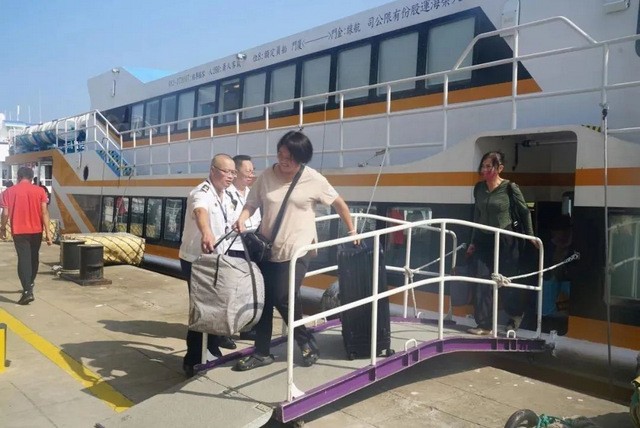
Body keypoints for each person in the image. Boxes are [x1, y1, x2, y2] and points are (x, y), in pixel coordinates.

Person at [232, 130, 357, 371]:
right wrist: (242, 218)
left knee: (283, 295)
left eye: (289, 157)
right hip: (268, 248)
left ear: (302, 157)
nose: (283, 160)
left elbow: (340, 205)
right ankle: (261, 352)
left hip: (298, 249)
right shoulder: (267, 176)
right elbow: (252, 203)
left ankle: (304, 339)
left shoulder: (313, 179)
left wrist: (352, 231)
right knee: (265, 300)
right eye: (280, 154)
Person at [466, 151, 538, 335]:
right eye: (483, 166)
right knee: (481, 279)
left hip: (506, 239)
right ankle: (484, 325)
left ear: (500, 168)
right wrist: (473, 241)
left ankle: (515, 315)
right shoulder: (479, 188)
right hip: (483, 238)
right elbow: (477, 215)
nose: (484, 170)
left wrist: (530, 235)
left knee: (505, 280)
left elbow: (524, 211)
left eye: (489, 166)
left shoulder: (509, 188)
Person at [178, 153, 237, 377]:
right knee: (201, 308)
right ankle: (192, 359)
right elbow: (199, 211)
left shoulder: (227, 195)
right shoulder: (201, 192)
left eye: (233, 172)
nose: (230, 176)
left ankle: (211, 348)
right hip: (197, 261)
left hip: (218, 259)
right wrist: (206, 231)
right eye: (226, 171)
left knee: (217, 306)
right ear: (213, 171)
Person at [0, 168, 53, 305]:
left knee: (23, 259)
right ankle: (30, 283)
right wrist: (48, 233)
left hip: (19, 231)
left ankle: (27, 291)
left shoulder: (8, 192)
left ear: (18, 177)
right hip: (37, 230)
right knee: (34, 258)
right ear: (31, 178)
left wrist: (2, 228)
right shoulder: (40, 191)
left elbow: (5, 213)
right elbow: (44, 212)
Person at [226, 154, 261, 341]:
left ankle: (247, 327)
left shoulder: (251, 194)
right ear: (236, 172)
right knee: (231, 292)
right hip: (233, 248)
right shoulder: (226, 194)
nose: (251, 175)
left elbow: (257, 220)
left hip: (251, 248)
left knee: (249, 290)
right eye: (247, 171)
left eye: (252, 171)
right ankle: (225, 332)